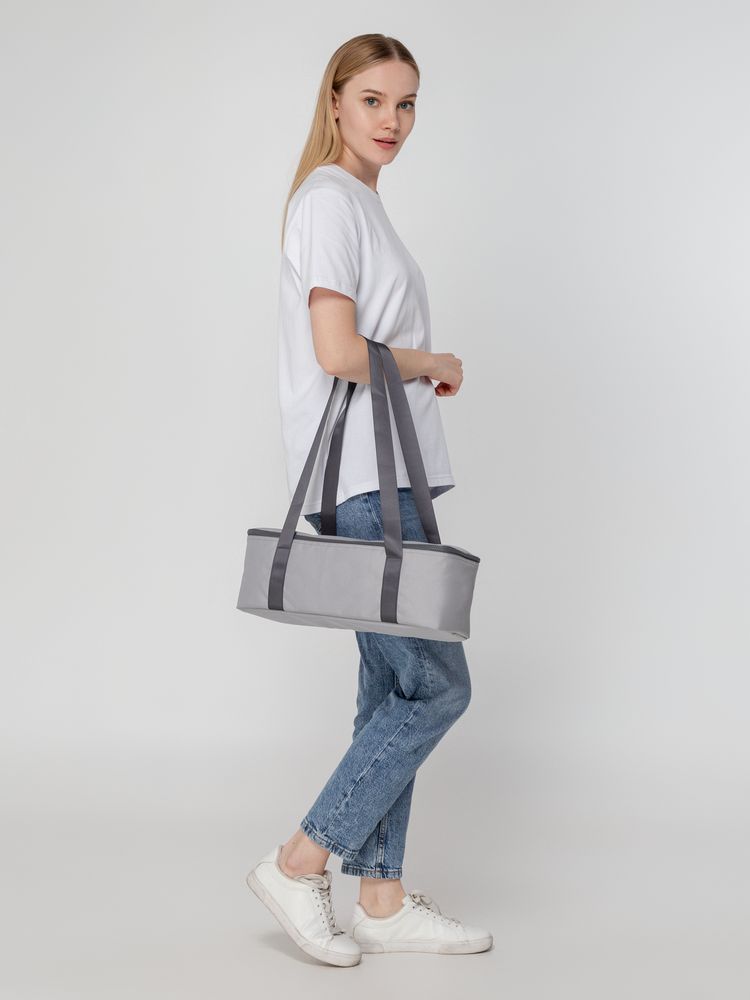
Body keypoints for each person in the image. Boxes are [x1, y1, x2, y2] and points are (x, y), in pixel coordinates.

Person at [246, 33, 493, 966]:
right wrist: (429, 361)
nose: (393, 120)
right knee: (438, 686)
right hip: (365, 482)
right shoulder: (328, 202)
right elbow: (339, 353)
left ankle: (381, 899)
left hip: (388, 476)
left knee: (391, 685)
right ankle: (299, 860)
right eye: (374, 100)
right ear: (336, 103)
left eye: (408, 103)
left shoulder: (361, 205)